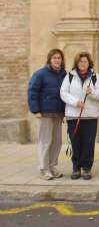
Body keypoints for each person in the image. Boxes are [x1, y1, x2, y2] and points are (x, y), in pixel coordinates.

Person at [60, 52, 99, 180]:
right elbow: (63, 93)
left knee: (88, 144)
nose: (83, 64)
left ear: (88, 62)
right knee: (75, 143)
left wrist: (92, 93)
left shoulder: (95, 76)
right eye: (80, 62)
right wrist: (75, 102)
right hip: (73, 116)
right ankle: (76, 168)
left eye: (85, 61)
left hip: (90, 116)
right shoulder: (69, 76)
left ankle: (86, 168)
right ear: (77, 63)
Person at [27, 48, 67, 180]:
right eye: (55, 58)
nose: (57, 60)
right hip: (45, 113)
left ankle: (53, 166)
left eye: (59, 58)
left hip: (58, 112)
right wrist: (35, 110)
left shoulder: (63, 74)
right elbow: (32, 92)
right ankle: (44, 169)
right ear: (50, 59)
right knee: (45, 141)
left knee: (57, 142)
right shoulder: (40, 74)